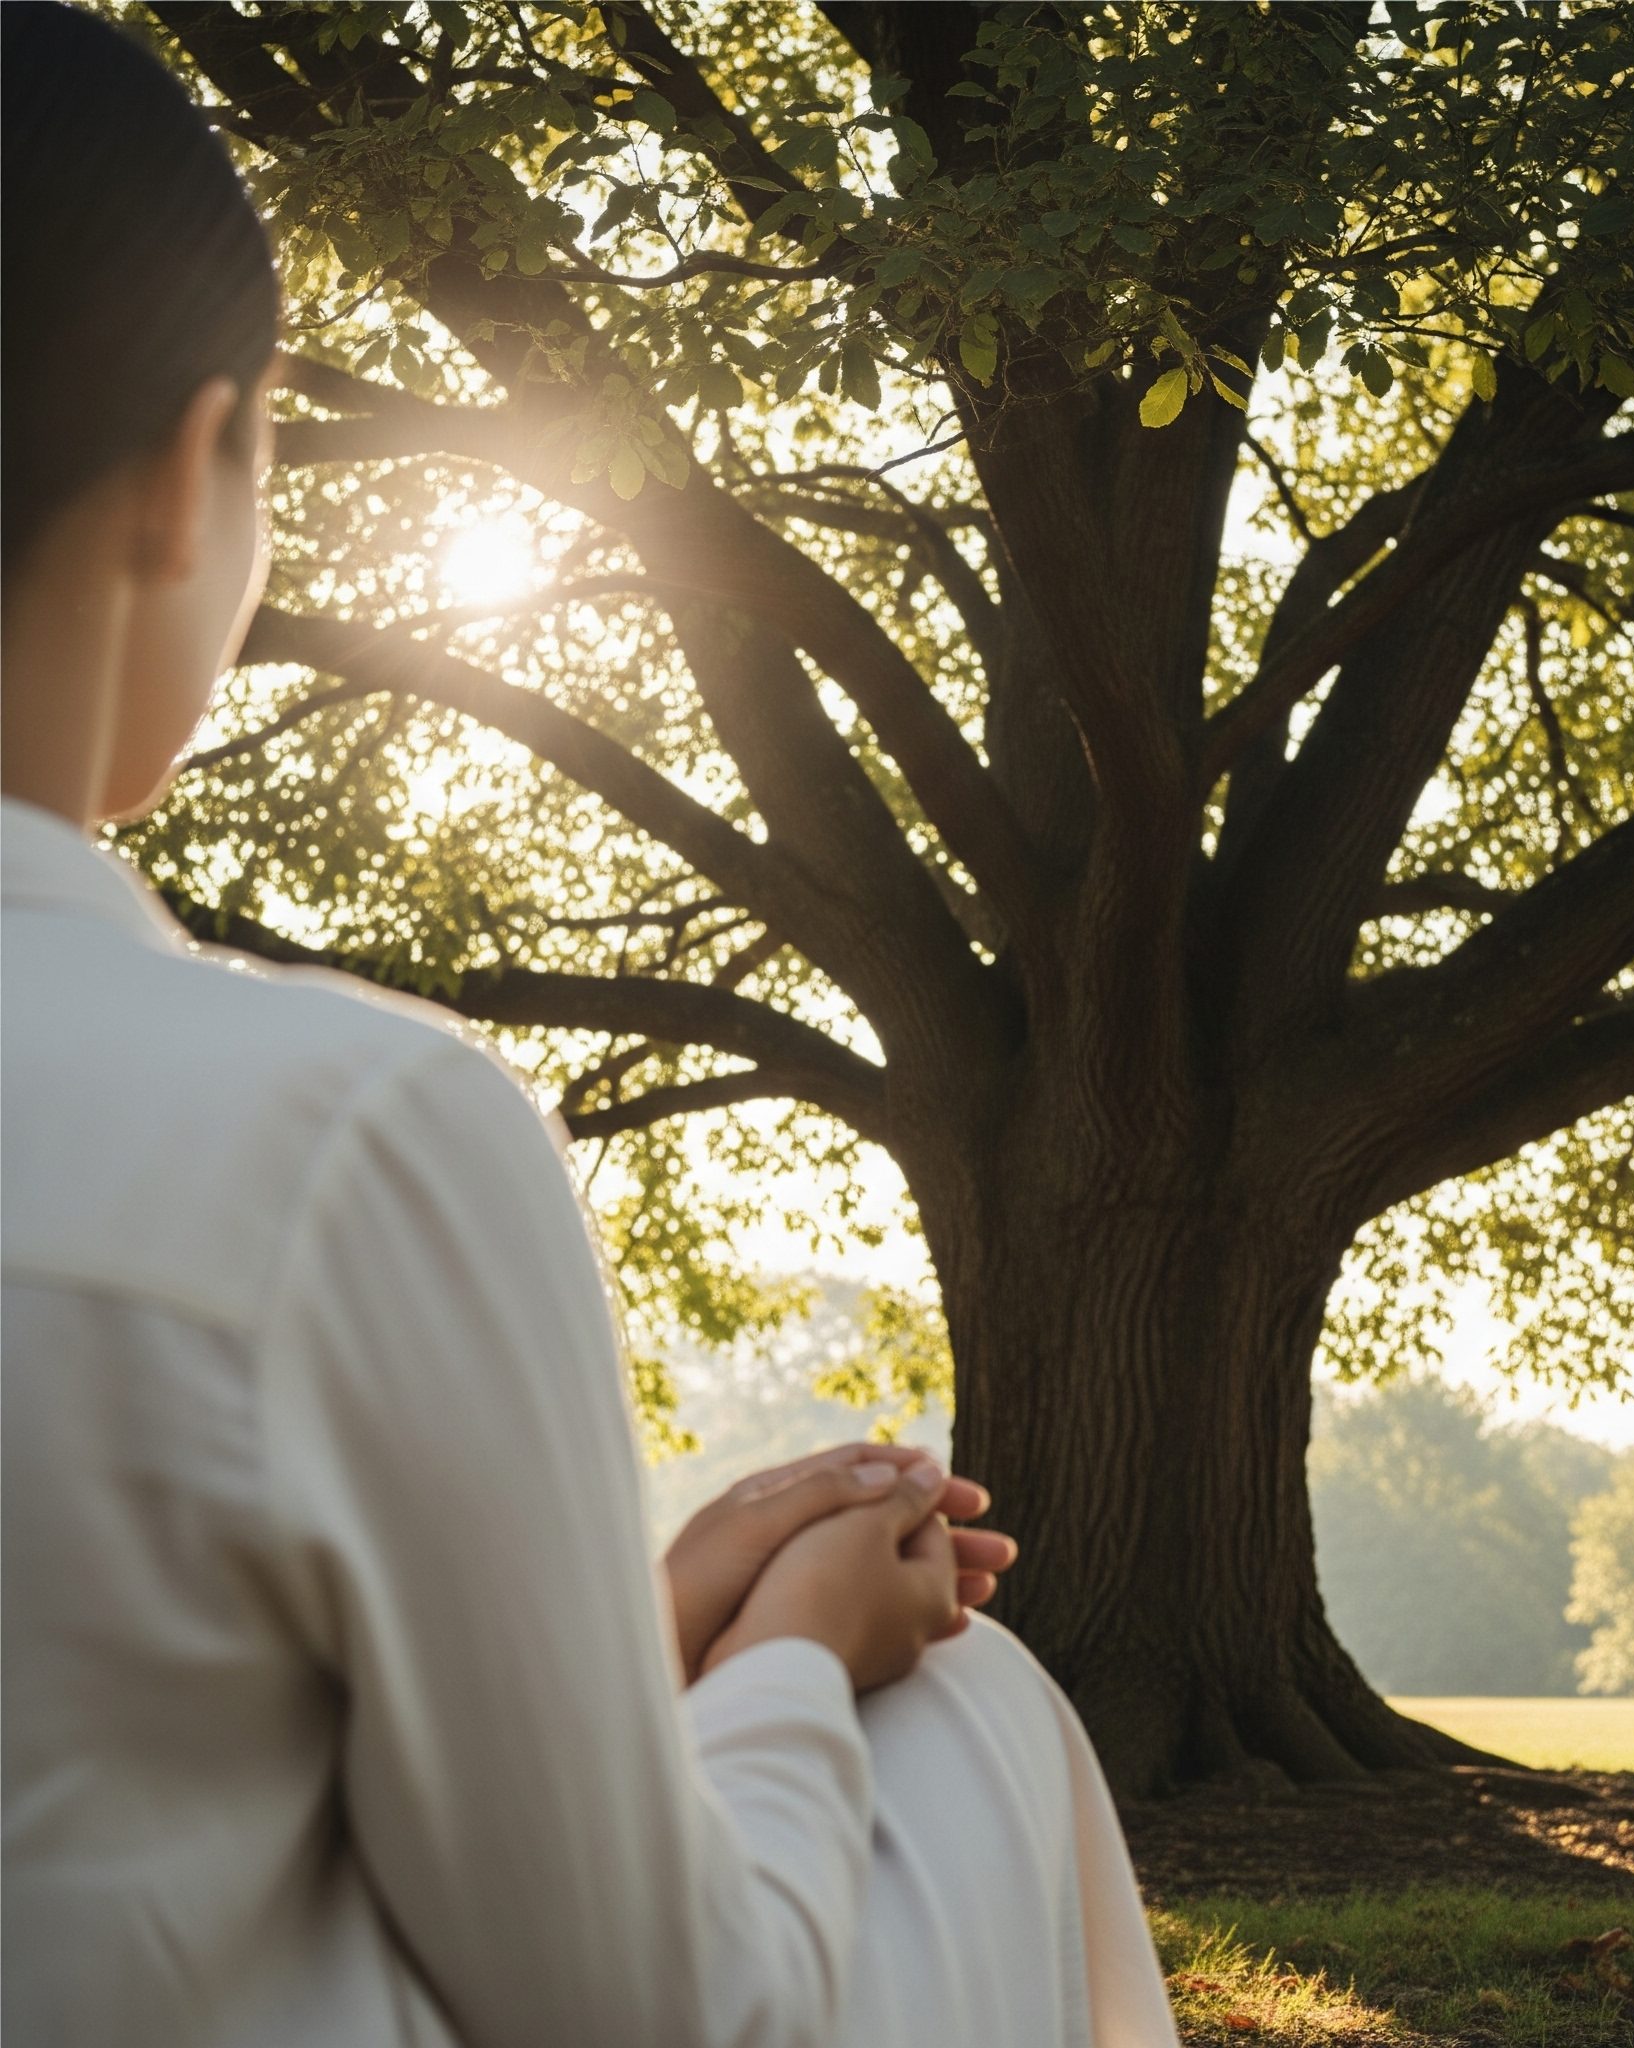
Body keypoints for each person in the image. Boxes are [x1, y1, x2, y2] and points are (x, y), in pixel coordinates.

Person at [0, 7, 1179, 2045]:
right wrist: (798, 1645)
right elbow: (665, 2018)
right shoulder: (345, 1140)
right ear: (193, 474)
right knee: (968, 1703)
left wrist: (638, 1624)